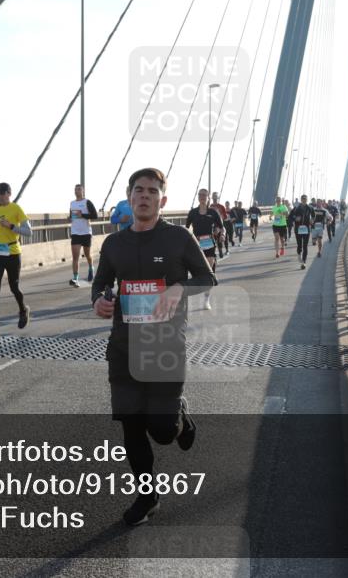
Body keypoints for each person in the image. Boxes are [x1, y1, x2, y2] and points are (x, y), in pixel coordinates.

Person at [92, 168, 216, 526]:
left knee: (162, 430)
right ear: (129, 198)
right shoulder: (114, 244)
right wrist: (99, 301)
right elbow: (100, 285)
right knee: (131, 425)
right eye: (138, 190)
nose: (144, 196)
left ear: (163, 200)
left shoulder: (179, 238)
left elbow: (207, 277)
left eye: (151, 191)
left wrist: (179, 289)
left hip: (165, 346)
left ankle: (180, 417)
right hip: (124, 347)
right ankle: (147, 497)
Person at [0, 182, 32, 340]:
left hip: (12, 253)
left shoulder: (16, 209)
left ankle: (23, 309)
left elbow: (28, 232)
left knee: (14, 287)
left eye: (2, 193)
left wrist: (11, 226)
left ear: (9, 194)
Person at [186, 188, 223, 310]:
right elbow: (186, 228)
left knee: (208, 271)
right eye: (200, 195)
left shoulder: (213, 212)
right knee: (197, 271)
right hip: (197, 244)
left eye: (204, 195)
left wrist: (220, 233)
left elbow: (221, 227)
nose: (202, 197)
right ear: (198, 197)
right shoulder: (193, 212)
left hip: (209, 244)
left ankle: (206, 300)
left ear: (208, 198)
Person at [69, 184, 99, 287]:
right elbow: (72, 216)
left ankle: (91, 267)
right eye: (75, 189)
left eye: (79, 189)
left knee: (87, 255)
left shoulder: (87, 202)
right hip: (75, 232)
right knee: (75, 257)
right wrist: (70, 218)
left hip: (86, 232)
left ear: (83, 191)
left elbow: (95, 215)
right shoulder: (72, 203)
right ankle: (75, 278)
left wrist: (83, 215)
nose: (77, 191)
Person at [289, 194, 315, 270]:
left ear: (307, 200)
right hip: (298, 228)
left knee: (305, 245)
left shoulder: (310, 207)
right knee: (299, 245)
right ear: (301, 199)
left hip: (306, 228)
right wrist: (295, 218)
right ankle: (299, 254)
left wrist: (312, 220)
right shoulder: (296, 208)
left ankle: (304, 262)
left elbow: (313, 215)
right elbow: (291, 216)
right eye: (303, 198)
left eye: (305, 199)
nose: (304, 200)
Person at [209, 192, 229, 259]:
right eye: (213, 196)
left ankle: (221, 250)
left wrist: (220, 218)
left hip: (220, 225)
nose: (214, 198)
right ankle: (214, 252)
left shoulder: (222, 207)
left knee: (221, 238)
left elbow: (225, 217)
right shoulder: (210, 207)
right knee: (213, 240)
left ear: (218, 197)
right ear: (212, 197)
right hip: (212, 225)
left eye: (216, 196)